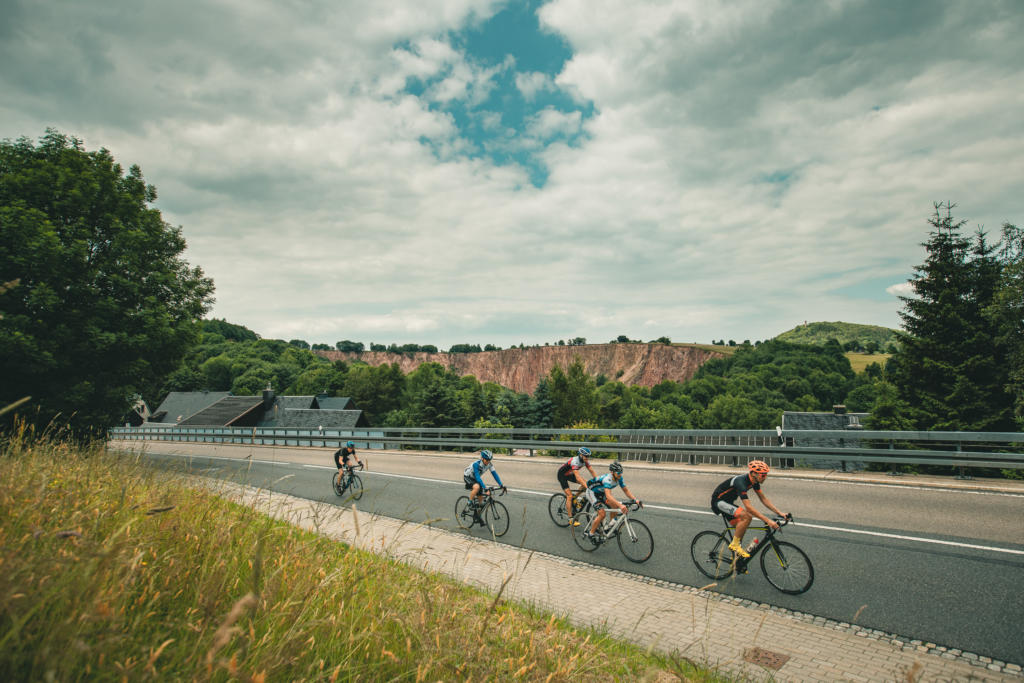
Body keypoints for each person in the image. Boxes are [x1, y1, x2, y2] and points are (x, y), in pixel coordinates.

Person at [710, 460, 787, 558]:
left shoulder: (754, 481)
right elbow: (749, 508)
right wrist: (768, 521)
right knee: (747, 516)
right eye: (763, 475)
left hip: (728, 503)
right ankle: (735, 545)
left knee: (740, 527)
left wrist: (780, 513)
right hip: (718, 502)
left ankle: (736, 560)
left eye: (766, 475)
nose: (765, 477)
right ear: (754, 473)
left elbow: (763, 499)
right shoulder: (741, 482)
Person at [583, 461, 641, 541]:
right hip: (592, 492)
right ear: (612, 472)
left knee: (614, 506)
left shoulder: (619, 478)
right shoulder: (607, 479)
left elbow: (626, 490)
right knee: (602, 514)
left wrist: (635, 500)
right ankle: (591, 533)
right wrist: (621, 505)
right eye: (618, 473)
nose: (620, 474)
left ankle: (608, 527)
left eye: (621, 472)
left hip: (601, 492)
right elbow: (608, 496)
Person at [556, 446, 598, 525]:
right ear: (581, 455)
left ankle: (575, 497)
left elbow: (592, 471)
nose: (587, 458)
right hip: (562, 475)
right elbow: (578, 478)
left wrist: (598, 481)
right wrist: (589, 489)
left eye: (588, 456)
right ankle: (570, 518)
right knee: (569, 496)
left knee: (587, 482)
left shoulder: (585, 461)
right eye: (586, 456)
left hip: (569, 474)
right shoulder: (575, 461)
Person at [463, 449, 505, 521]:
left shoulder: (489, 464)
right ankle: (469, 503)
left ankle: (477, 517)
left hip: (476, 479)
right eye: (487, 460)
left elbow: (495, 474)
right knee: (477, 487)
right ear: (482, 458)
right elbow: (478, 477)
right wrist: (485, 488)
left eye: (489, 460)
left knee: (481, 502)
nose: (488, 461)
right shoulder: (476, 464)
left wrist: (501, 485)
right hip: (468, 477)